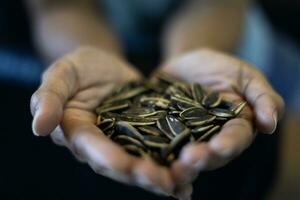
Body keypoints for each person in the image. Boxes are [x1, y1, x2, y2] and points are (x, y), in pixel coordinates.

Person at [26, 0, 284, 199]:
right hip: (85, 44)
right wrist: (83, 52)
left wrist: (194, 51)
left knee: (244, 179)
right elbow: (59, 5)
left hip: (224, 50)